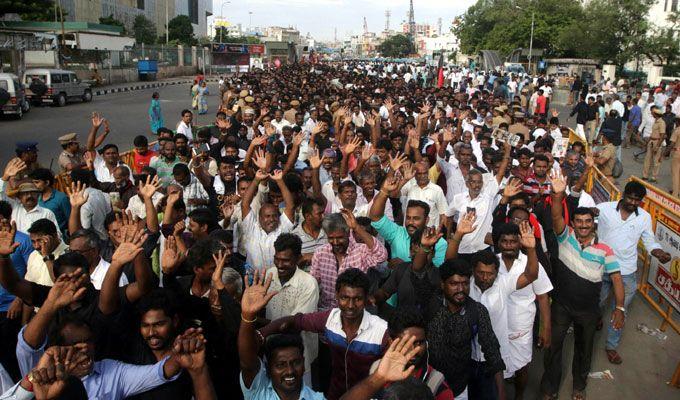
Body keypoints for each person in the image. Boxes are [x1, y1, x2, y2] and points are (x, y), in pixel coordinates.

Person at [540, 170, 625, 400]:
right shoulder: (565, 237)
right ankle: (550, 388)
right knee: (553, 348)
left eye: (588, 222)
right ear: (574, 224)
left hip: (588, 310)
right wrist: (558, 195)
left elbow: (617, 278)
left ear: (593, 225)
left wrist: (620, 308)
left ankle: (579, 386)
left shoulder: (605, 250)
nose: (584, 225)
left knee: (584, 350)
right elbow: (557, 217)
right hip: (561, 306)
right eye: (579, 221)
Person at [260, 268, 390, 400]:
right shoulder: (329, 319)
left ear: (366, 298)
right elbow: (293, 321)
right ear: (336, 296)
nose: (350, 305)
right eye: (345, 298)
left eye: (357, 299)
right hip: (335, 394)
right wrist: (260, 334)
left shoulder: (382, 330)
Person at [595, 181, 671, 364]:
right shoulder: (603, 208)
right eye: (630, 198)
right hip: (602, 266)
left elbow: (649, 241)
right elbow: (586, 222)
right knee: (597, 301)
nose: (633, 203)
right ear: (622, 195)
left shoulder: (644, 217)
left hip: (626, 271)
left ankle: (611, 346)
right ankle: (596, 319)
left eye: (638, 200)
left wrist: (658, 252)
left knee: (621, 309)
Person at [237, 270, 325, 400]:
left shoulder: (317, 399)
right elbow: (247, 362)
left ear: (304, 362)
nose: (290, 371)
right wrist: (248, 316)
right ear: (268, 368)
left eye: (296, 363)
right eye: (281, 365)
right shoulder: (259, 391)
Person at [426, 258, 505, 399]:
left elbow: (492, 351)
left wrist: (501, 393)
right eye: (454, 284)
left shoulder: (477, 311)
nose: (461, 289)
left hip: (459, 388)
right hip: (429, 386)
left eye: (465, 284)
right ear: (443, 284)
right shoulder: (431, 305)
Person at [264, 233, 319, 385]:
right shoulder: (269, 275)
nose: (280, 265)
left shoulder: (308, 283)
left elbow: (293, 324)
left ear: (298, 258)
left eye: (286, 260)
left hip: (299, 355)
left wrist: (261, 330)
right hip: (272, 351)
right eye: (277, 259)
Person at [310, 211, 387, 311]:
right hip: (327, 311)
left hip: (356, 310)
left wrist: (356, 228)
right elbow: (313, 284)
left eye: (340, 238)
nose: (336, 242)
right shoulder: (320, 254)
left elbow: (381, 255)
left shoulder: (361, 251)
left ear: (348, 233)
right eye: (331, 238)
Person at [642, 107, 666, 183]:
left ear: (656, 114)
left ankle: (654, 177)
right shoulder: (655, 121)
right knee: (647, 159)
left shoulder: (661, 123)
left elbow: (662, 135)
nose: (652, 114)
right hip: (651, 141)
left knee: (656, 161)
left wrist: (658, 146)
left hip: (657, 141)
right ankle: (645, 175)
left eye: (653, 113)